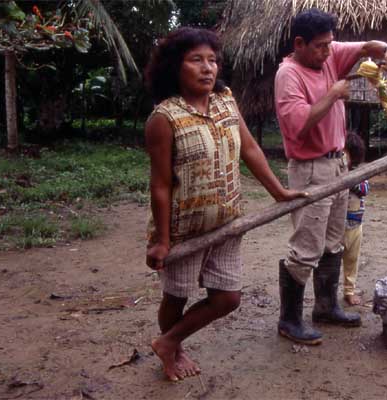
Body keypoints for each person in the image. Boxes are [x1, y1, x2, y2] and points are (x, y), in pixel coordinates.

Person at [144, 27, 306, 381]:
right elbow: (160, 184)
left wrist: (279, 192)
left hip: (228, 221)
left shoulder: (225, 101)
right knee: (177, 295)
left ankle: (167, 341)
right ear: (175, 66)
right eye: (196, 60)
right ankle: (174, 350)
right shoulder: (164, 118)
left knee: (228, 297)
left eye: (213, 60)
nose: (208, 68)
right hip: (184, 228)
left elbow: (249, 149)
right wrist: (162, 240)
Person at [274, 8, 387, 344]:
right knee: (306, 247)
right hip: (310, 168)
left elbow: (367, 47)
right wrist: (333, 94)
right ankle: (289, 320)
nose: (328, 51)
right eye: (320, 46)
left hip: (338, 163)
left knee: (334, 241)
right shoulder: (289, 74)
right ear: (299, 44)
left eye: (330, 44)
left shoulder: (328, 54)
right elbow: (298, 125)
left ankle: (326, 306)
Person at [342, 132, 369, 306]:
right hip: (336, 226)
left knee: (352, 260)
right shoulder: (333, 173)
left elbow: (364, 189)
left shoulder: (360, 175)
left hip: (355, 226)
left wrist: (348, 179)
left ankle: (349, 290)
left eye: (344, 153)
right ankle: (327, 292)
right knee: (330, 258)